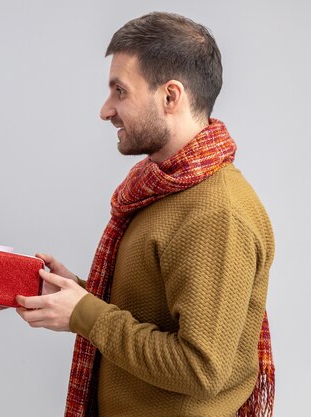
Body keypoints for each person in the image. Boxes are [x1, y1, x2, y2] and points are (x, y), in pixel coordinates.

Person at [15, 12, 275, 417]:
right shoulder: (163, 187)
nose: (106, 110)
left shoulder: (216, 212)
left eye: (120, 91)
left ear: (171, 96)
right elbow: (154, 313)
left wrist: (86, 313)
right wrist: (78, 293)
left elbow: (200, 368)